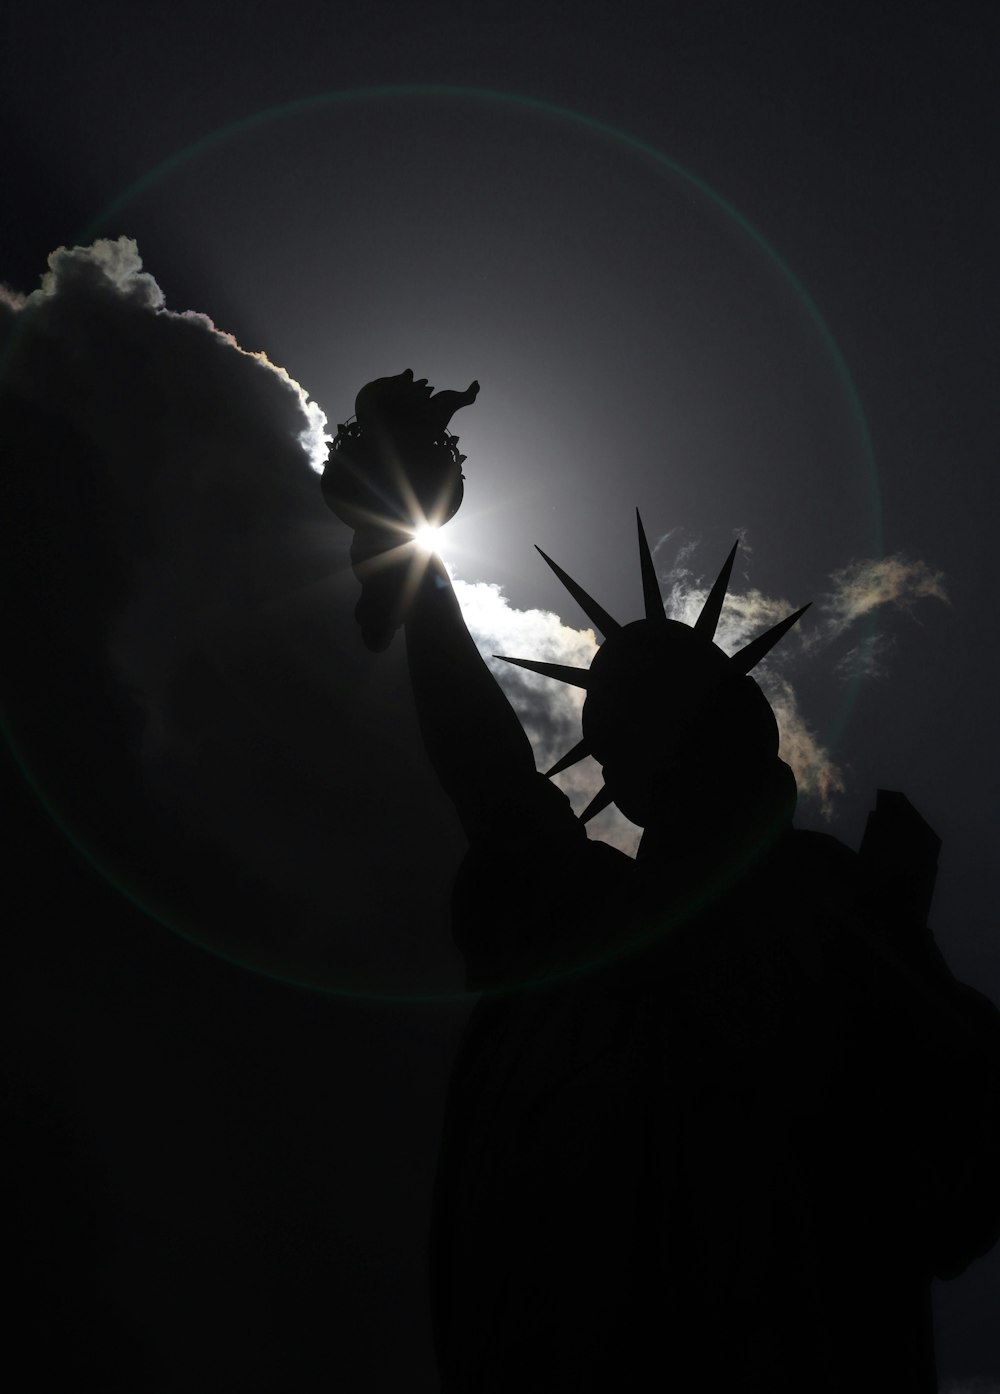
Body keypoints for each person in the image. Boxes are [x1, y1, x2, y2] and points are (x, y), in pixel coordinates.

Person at [324, 371, 1000, 1392]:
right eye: (634, 713)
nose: (657, 733)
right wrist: (406, 547)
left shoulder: (818, 897)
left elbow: (954, 1142)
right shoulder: (590, 910)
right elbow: (490, 772)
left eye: (672, 705)